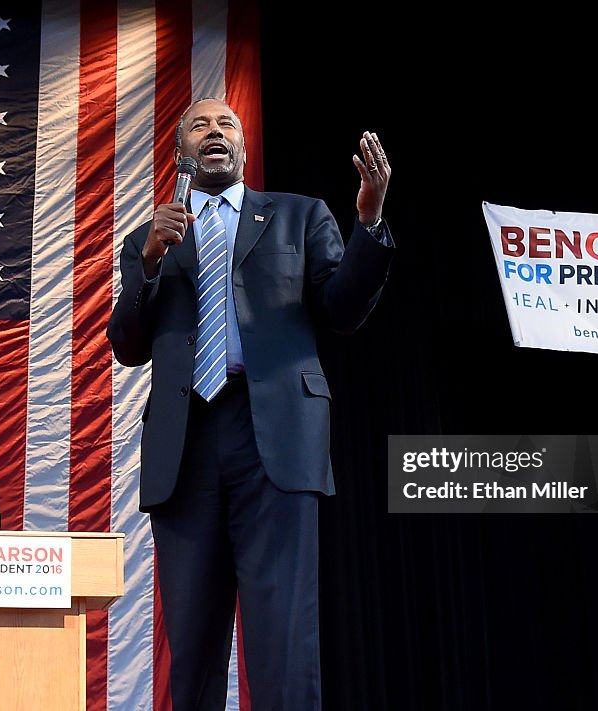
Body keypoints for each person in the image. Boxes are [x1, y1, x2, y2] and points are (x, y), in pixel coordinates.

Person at [107, 97, 394, 710]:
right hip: (185, 445)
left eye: (227, 124)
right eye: (200, 125)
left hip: (277, 437)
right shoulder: (149, 238)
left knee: (283, 636)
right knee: (193, 644)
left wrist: (367, 222)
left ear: (243, 146)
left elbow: (341, 311)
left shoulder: (298, 216)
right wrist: (152, 265)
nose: (215, 132)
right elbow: (128, 345)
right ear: (182, 151)